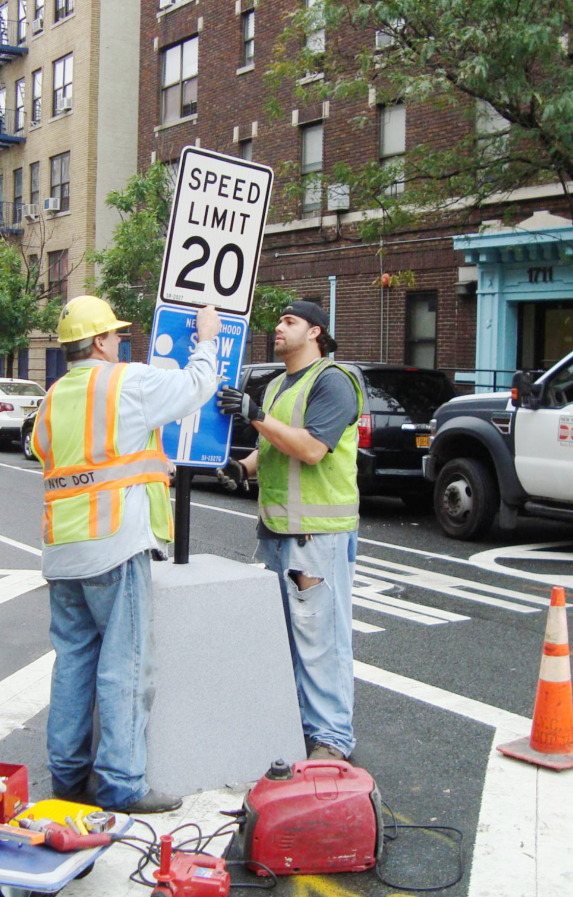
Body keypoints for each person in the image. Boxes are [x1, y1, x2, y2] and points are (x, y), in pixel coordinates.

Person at [32, 295, 220, 814]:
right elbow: (195, 388)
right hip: (115, 544)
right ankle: (122, 784)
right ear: (97, 342)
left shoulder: (52, 398)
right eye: (115, 336)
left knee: (73, 663)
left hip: (62, 548)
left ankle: (67, 777)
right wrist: (206, 340)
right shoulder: (125, 384)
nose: (120, 343)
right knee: (125, 666)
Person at [217, 301, 362, 761]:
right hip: (278, 532)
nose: (277, 328)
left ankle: (334, 741)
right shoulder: (280, 384)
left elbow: (313, 449)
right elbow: (274, 446)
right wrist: (244, 468)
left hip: (315, 536)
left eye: (289, 322)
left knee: (321, 641)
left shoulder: (334, 382)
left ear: (315, 331)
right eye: (279, 321)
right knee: (286, 640)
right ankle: (302, 729)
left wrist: (254, 413)